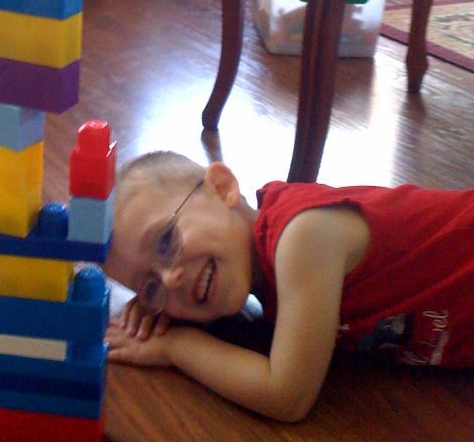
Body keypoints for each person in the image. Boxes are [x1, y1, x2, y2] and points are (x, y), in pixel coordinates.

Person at [104, 151, 474, 422]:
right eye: (150, 286)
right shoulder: (258, 267)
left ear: (221, 187)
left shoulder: (302, 236)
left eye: (166, 240)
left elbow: (287, 395)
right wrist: (160, 312)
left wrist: (175, 346)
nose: (169, 279)